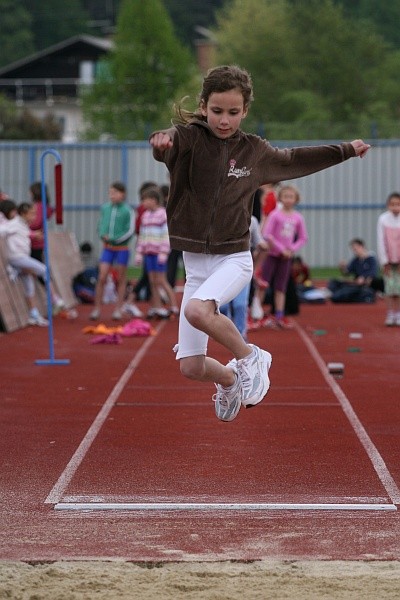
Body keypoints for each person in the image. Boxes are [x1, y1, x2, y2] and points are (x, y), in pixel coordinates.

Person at [149, 64, 370, 422]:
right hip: (196, 265)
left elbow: (296, 160)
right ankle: (230, 379)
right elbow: (166, 147)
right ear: (204, 107)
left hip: (233, 259)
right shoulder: (189, 139)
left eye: (233, 113)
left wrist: (344, 150)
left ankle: (252, 356)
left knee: (197, 311)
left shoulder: (254, 152)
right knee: (190, 366)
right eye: (217, 111)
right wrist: (160, 144)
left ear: (245, 111)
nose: (224, 121)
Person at [0, 200, 64, 326]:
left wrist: (34, 235)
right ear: (23, 214)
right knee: (44, 269)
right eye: (32, 214)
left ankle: (33, 314)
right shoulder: (14, 223)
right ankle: (55, 299)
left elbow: (24, 233)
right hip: (17, 257)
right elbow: (4, 230)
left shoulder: (22, 225)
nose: (34, 217)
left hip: (22, 257)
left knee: (30, 287)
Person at [260, 185, 308, 328]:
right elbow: (267, 234)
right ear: (280, 198)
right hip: (272, 254)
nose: (288, 199)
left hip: (286, 258)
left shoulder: (298, 217)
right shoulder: (275, 215)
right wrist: (281, 249)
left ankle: (279, 315)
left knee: (281, 287)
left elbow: (303, 238)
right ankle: (256, 315)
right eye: (285, 196)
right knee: (263, 283)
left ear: (296, 199)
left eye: (291, 197)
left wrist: (291, 250)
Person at [90, 181, 135, 321]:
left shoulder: (128, 210)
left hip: (122, 248)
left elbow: (130, 231)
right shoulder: (105, 208)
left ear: (123, 194)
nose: (112, 195)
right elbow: (101, 224)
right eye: (110, 193)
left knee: (121, 279)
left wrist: (115, 238)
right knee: (102, 277)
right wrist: (102, 235)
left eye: (115, 192)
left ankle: (118, 309)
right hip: (107, 249)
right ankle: (96, 309)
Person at [220, 215, 268, 339]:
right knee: (223, 305)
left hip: (243, 268)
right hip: (222, 269)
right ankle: (224, 330)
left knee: (240, 305)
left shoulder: (251, 220)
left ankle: (241, 335)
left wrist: (265, 247)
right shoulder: (221, 217)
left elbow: (260, 243)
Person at [134, 187, 179, 318]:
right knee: (152, 281)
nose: (143, 203)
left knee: (161, 280)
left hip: (159, 253)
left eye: (145, 200)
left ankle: (173, 306)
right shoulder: (145, 216)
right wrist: (139, 252)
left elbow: (166, 235)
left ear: (153, 200)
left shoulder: (162, 214)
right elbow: (142, 235)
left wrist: (164, 252)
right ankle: (157, 306)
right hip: (149, 253)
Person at [328, 238, 381, 303]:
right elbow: (347, 272)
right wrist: (342, 268)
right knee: (333, 282)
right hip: (356, 284)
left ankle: (337, 294)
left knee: (341, 295)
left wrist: (363, 278)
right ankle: (336, 293)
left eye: (355, 249)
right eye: (353, 249)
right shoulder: (356, 260)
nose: (354, 251)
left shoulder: (371, 259)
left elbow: (373, 272)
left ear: (362, 247)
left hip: (365, 285)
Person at [377, 192, 400, 326]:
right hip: (388, 260)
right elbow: (381, 240)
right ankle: (391, 313)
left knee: (399, 288)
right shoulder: (383, 219)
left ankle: (398, 313)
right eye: (392, 204)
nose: (395, 207)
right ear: (387, 206)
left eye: (398, 204)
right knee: (390, 289)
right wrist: (384, 261)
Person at [28, 181, 54, 263]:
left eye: (30, 192)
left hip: (35, 242)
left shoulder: (38, 206)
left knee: (36, 264)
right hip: (38, 242)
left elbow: (36, 222)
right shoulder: (44, 205)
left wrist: (25, 225)